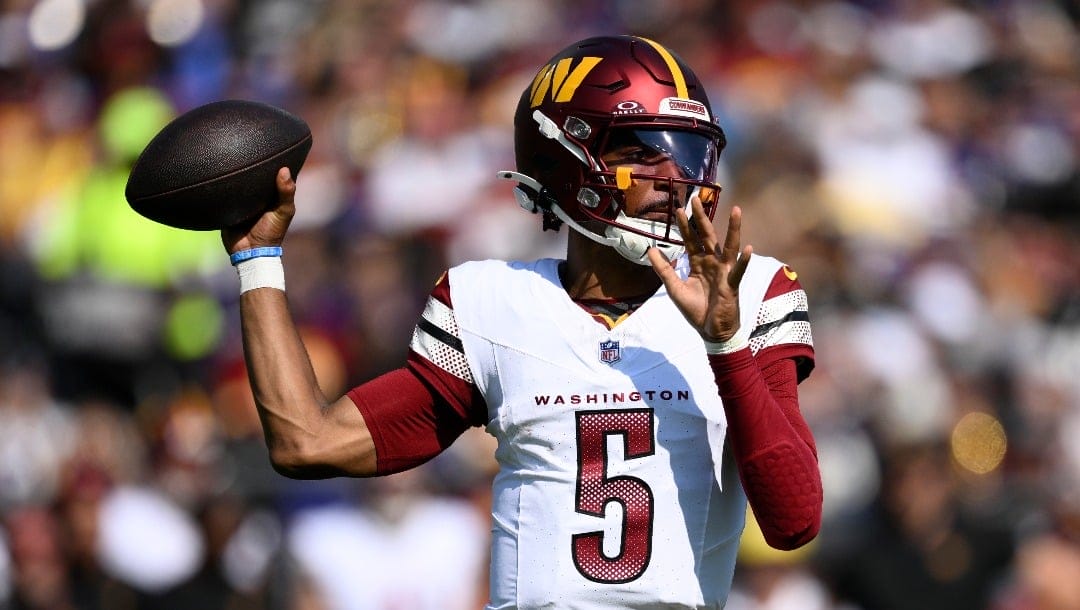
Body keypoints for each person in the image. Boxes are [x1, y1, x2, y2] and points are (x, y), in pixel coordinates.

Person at [223, 35, 823, 609]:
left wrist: (724, 341)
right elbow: (307, 442)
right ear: (566, 159)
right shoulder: (491, 303)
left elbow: (793, 520)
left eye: (688, 152)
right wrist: (257, 260)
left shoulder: (752, 292)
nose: (673, 179)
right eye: (641, 151)